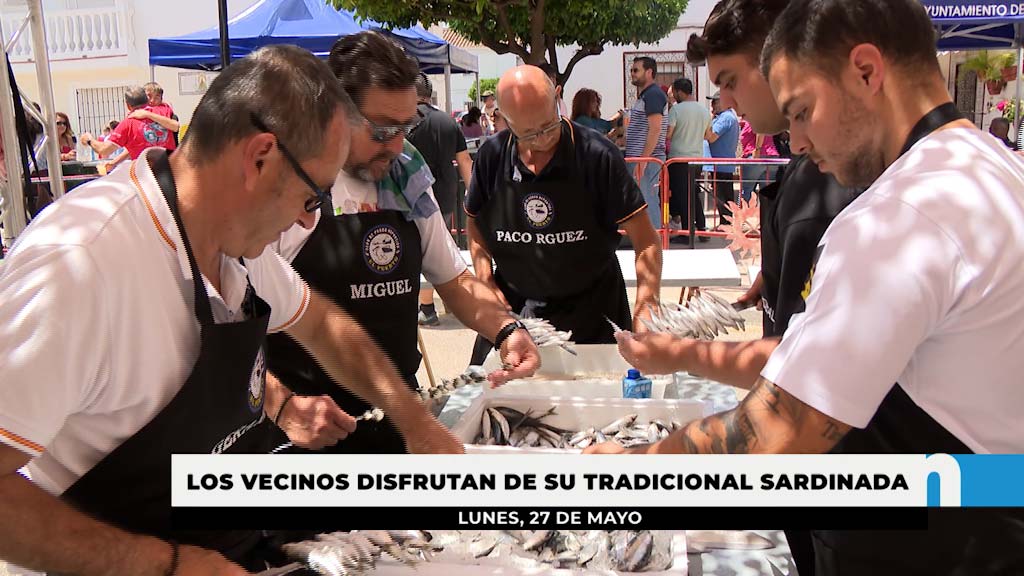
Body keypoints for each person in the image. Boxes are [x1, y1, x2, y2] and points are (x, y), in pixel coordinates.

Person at [595, 1, 1024, 574]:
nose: (794, 141)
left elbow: (775, 431)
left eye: (801, 111)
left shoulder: (900, 215)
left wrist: (631, 467)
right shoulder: (990, 165)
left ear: (866, 71)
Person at [0, 45, 463, 575]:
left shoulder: (233, 242)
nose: (310, 220)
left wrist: (413, 420)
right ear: (260, 157)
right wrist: (161, 563)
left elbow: (321, 324)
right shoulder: (81, 264)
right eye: (313, 197)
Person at [267, 33, 539, 454]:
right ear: (333, 113)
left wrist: (506, 329)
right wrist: (281, 405)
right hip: (304, 429)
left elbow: (454, 280)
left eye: (407, 126)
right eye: (381, 131)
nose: (396, 145)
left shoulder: (406, 173)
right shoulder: (287, 188)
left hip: (399, 417)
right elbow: (227, 334)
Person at [465, 65, 663, 365]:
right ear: (505, 121)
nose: (543, 139)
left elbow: (646, 242)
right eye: (528, 133)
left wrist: (646, 306)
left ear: (558, 98)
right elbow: (476, 226)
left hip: (594, 311)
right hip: (517, 312)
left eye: (548, 125)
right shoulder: (492, 157)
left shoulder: (598, 155)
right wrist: (485, 280)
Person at [408, 72, 475, 326]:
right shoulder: (448, 121)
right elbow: (465, 159)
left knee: (423, 249)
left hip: (413, 194)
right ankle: (449, 299)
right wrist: (471, 192)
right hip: (446, 192)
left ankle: (427, 307)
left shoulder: (407, 121)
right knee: (442, 244)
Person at [625, 56, 670, 229]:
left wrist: (643, 160)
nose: (633, 74)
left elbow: (656, 129)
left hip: (647, 161)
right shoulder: (647, 95)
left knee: (648, 200)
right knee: (643, 201)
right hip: (643, 159)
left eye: (636, 70)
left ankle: (656, 243)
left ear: (649, 72)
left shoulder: (653, 94)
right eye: (631, 70)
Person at [80, 86, 178, 161]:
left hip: (146, 175)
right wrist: (115, 162)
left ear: (128, 105)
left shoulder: (128, 123)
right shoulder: (164, 111)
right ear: (147, 100)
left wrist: (89, 140)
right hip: (172, 170)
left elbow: (104, 150)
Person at [665, 77, 711, 237]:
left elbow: (668, 134)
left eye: (673, 93)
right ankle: (702, 229)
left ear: (678, 91)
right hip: (698, 159)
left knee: (682, 196)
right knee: (693, 193)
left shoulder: (676, 110)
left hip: (678, 159)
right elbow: (708, 135)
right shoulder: (704, 111)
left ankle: (686, 233)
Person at [704, 91, 740, 226]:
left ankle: (726, 224)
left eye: (716, 102)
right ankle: (726, 223)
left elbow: (711, 137)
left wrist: (706, 122)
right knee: (724, 196)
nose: (712, 105)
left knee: (722, 197)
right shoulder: (725, 117)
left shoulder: (725, 118)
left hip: (721, 164)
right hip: (722, 164)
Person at [739, 118, 780, 200]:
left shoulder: (755, 118)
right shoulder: (766, 119)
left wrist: (758, 149)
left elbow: (760, 131)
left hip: (756, 156)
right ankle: (768, 212)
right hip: (771, 156)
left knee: (746, 191)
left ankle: (743, 212)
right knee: (768, 193)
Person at [144, 81, 181, 147]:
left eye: (156, 97)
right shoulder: (138, 114)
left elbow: (175, 127)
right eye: (149, 96)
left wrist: (148, 114)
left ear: (161, 99)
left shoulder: (171, 115)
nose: (152, 100)